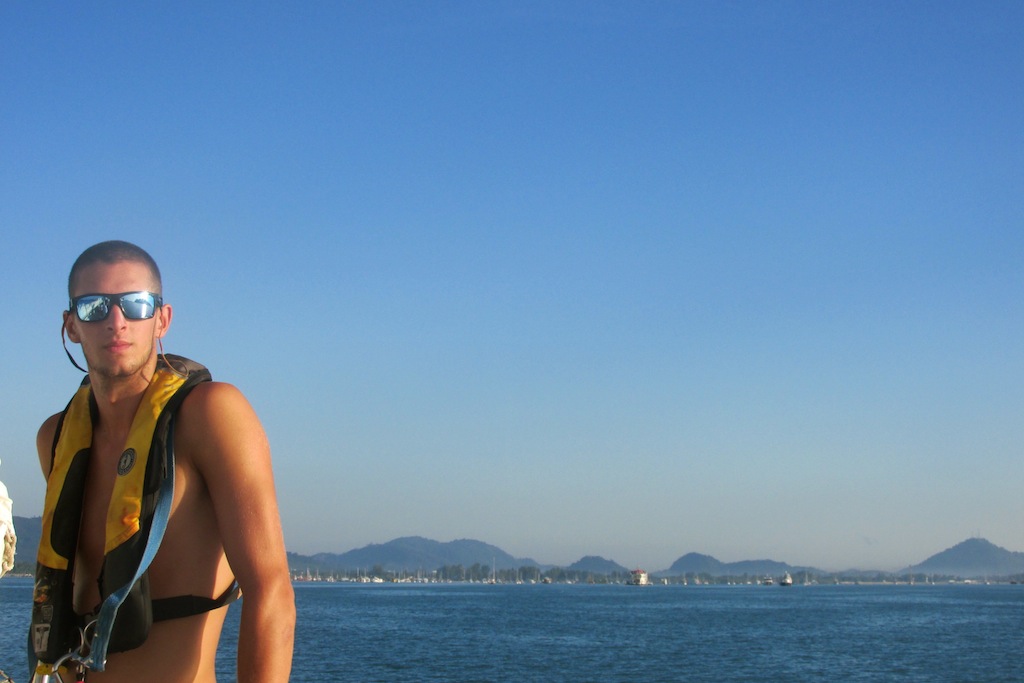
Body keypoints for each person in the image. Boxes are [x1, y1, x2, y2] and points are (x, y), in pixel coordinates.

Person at [32, 241, 295, 682]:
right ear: (71, 326)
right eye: (95, 307)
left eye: (136, 304)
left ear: (162, 319)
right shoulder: (56, 438)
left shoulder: (211, 415)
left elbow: (272, 592)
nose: (117, 321)